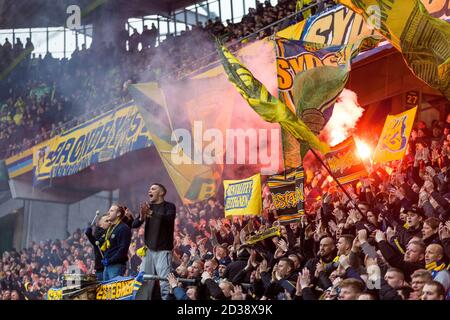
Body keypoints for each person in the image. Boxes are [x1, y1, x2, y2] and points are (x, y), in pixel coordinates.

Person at [133, 183, 176, 300]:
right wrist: (142, 216)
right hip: (148, 251)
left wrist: (150, 213)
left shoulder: (169, 206)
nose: (149, 191)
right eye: (149, 189)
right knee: (144, 280)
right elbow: (134, 224)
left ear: (161, 192)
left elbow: (168, 219)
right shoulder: (148, 207)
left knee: (164, 282)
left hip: (163, 250)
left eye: (153, 189)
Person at [101, 205, 132, 281]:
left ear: (118, 214)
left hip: (116, 266)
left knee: (113, 291)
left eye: (111, 211)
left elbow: (123, 249)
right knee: (106, 291)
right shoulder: (111, 228)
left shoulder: (123, 228)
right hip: (108, 266)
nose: (108, 213)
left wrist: (110, 260)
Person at [84, 213, 111, 281]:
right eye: (106, 221)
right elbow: (96, 243)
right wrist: (89, 235)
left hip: (111, 267)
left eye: (109, 220)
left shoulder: (112, 232)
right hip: (101, 269)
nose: (109, 222)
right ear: (100, 224)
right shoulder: (98, 234)